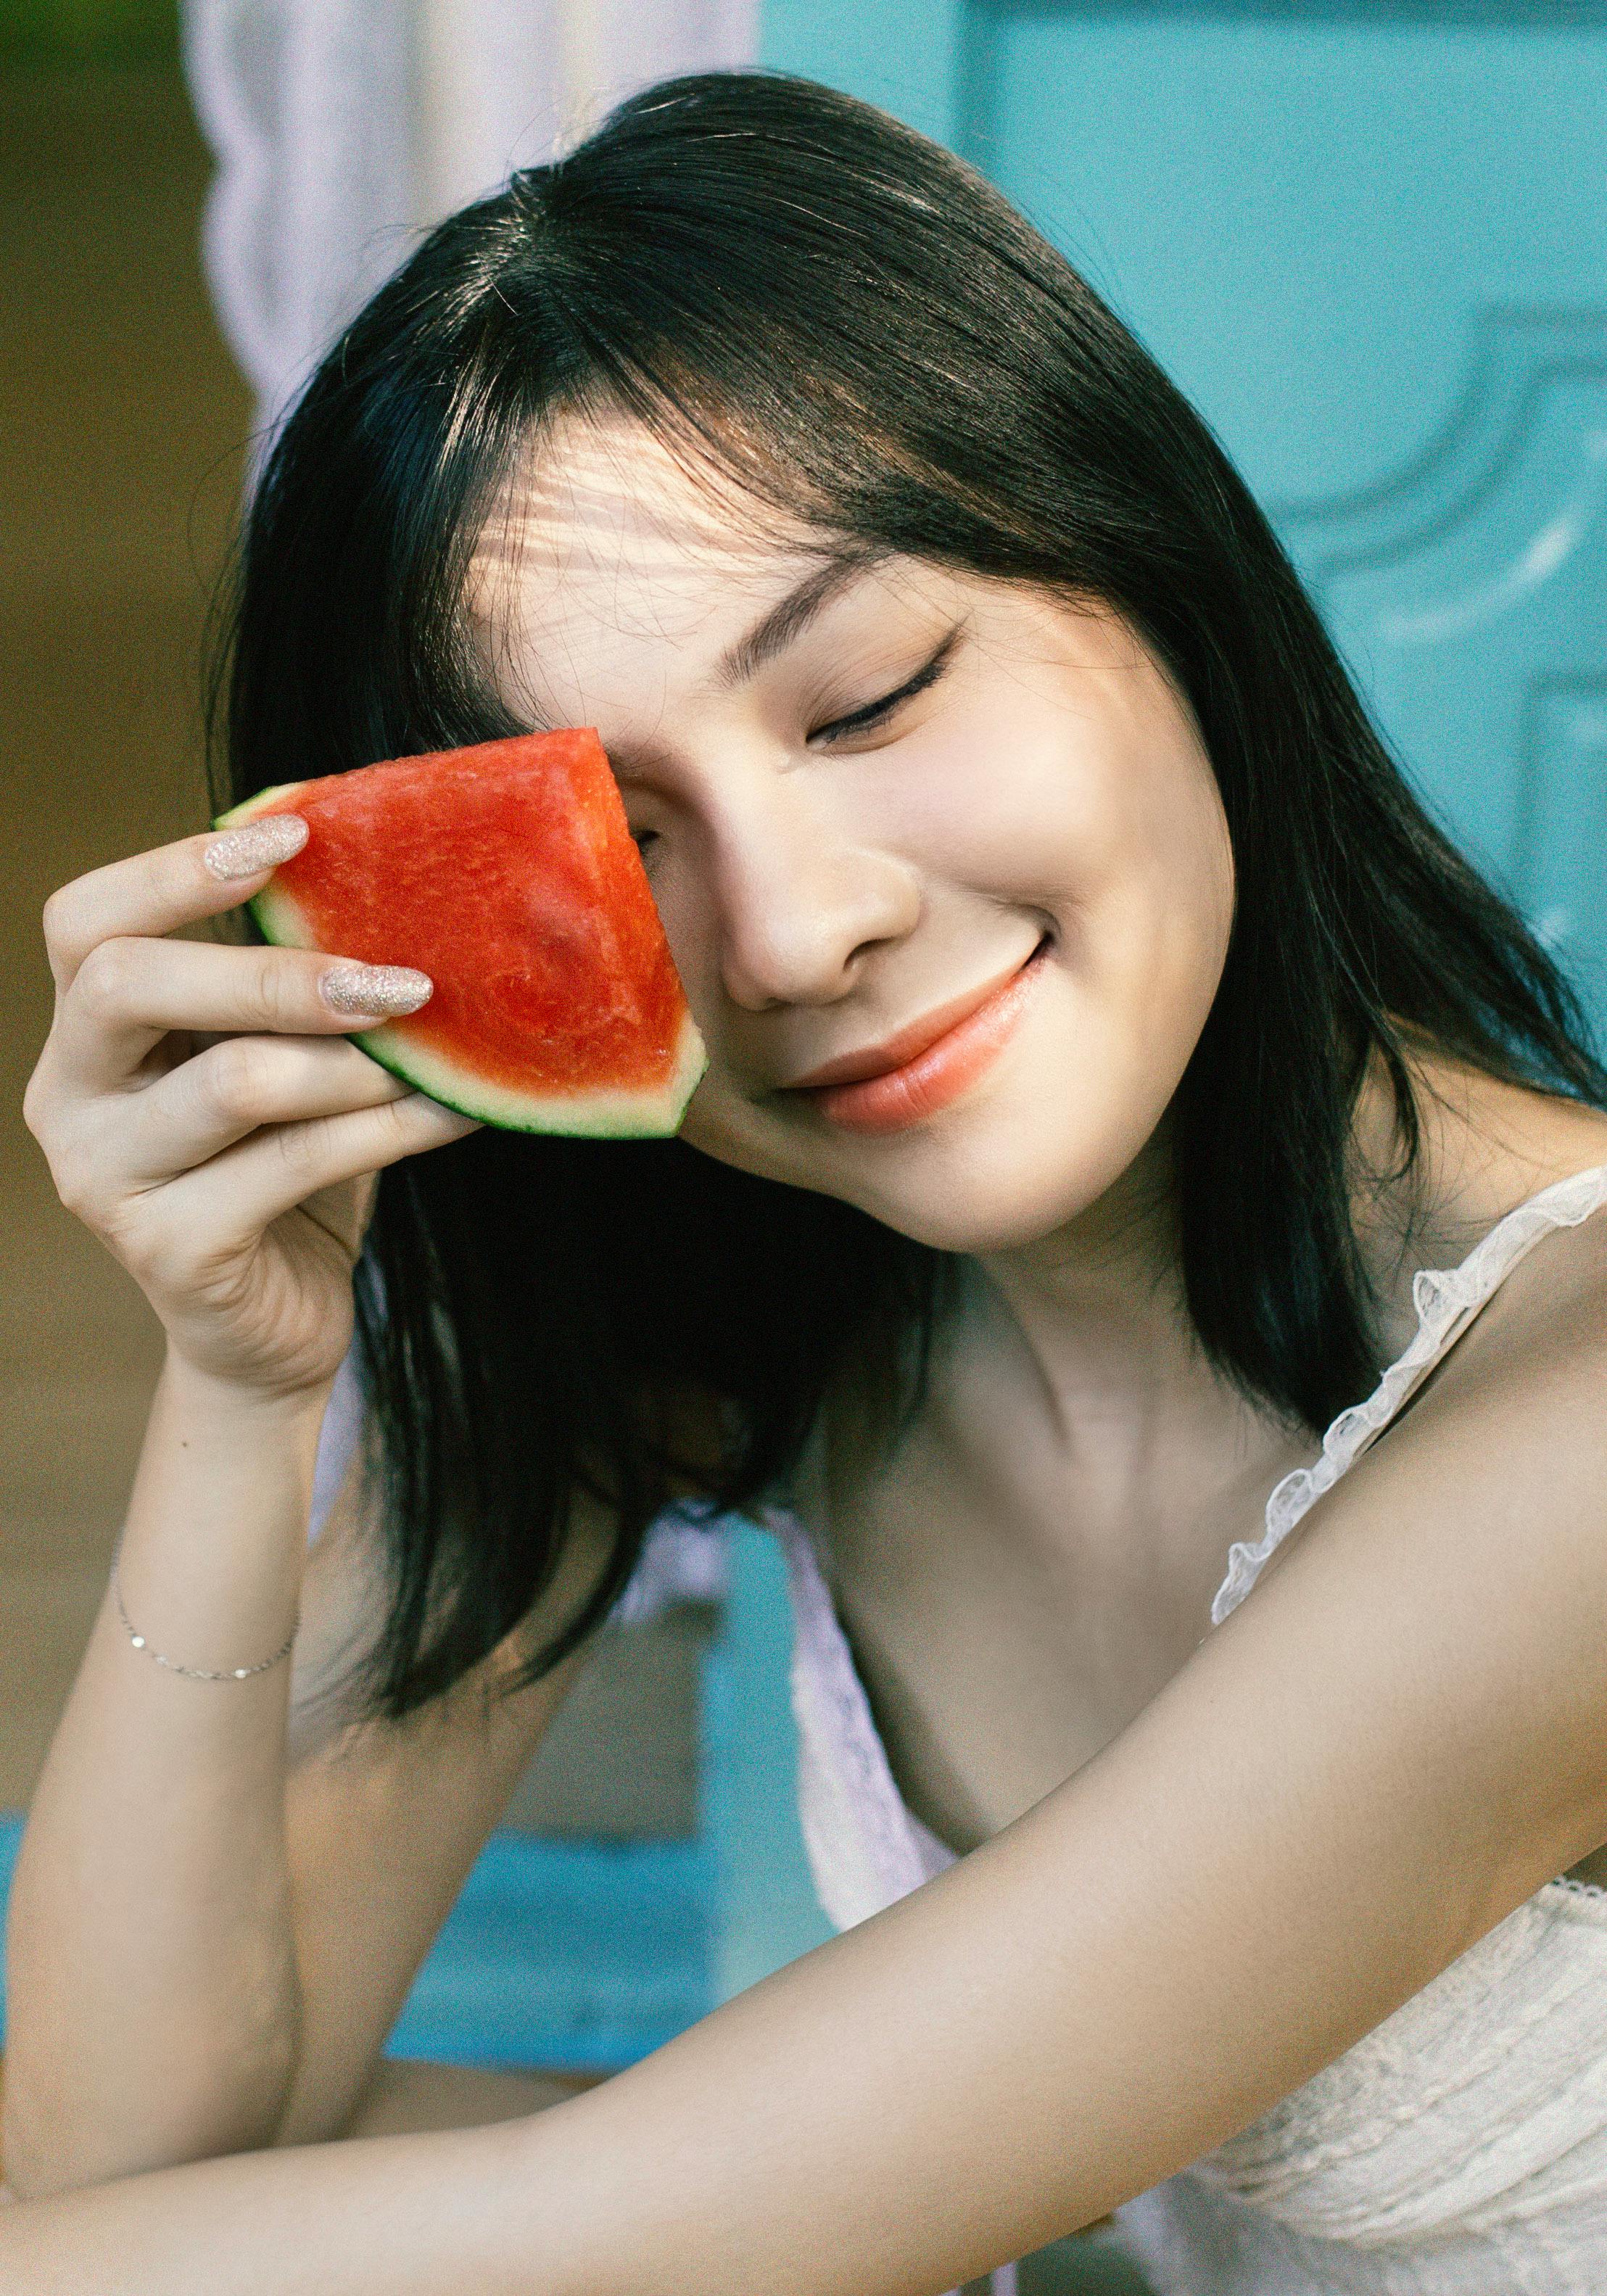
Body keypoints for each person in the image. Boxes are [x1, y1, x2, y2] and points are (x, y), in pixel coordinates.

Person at [7, 67, 1607, 2296]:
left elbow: (610, 2237)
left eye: (867, 700)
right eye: (615, 850)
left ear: (1160, 577)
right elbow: (121, 2154)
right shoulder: (771, 1301)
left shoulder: (1578, 1443)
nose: (788, 934)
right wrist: (234, 1384)